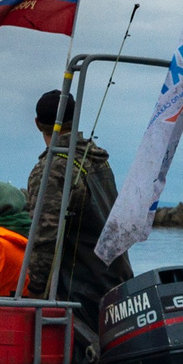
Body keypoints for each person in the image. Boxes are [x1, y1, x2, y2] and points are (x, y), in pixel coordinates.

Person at [21, 89, 135, 323]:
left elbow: (45, 235)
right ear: (75, 119)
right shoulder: (98, 160)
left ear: (37, 124)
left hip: (81, 296)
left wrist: (37, 290)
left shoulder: (52, 169)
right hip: (117, 283)